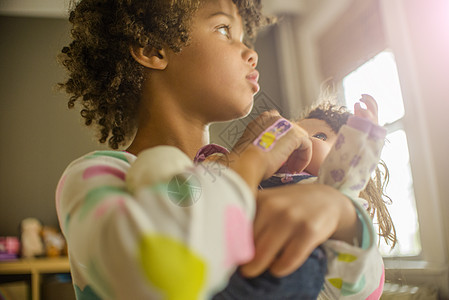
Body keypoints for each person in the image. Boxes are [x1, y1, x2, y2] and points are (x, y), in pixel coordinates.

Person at [56, 0, 384, 299]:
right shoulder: (94, 176)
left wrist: (341, 216)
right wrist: (247, 161)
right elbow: (152, 274)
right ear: (153, 48)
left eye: (246, 37)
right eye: (224, 29)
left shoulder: (263, 182)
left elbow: (357, 292)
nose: (251, 53)